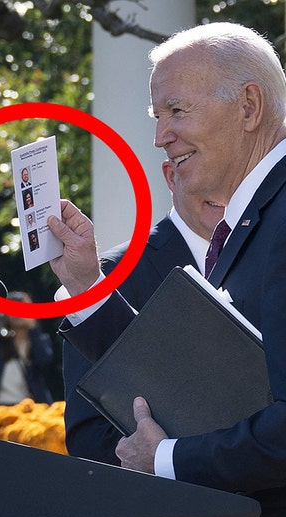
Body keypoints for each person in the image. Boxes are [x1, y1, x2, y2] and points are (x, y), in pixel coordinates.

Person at [47, 22, 286, 517]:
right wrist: (85, 284)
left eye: (177, 111)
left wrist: (165, 459)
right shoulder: (272, 222)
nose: (161, 135)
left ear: (249, 106)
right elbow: (196, 387)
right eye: (158, 115)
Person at [62, 160, 223, 464]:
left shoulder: (271, 256)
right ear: (171, 176)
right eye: (203, 168)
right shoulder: (107, 276)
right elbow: (89, 435)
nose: (218, 185)